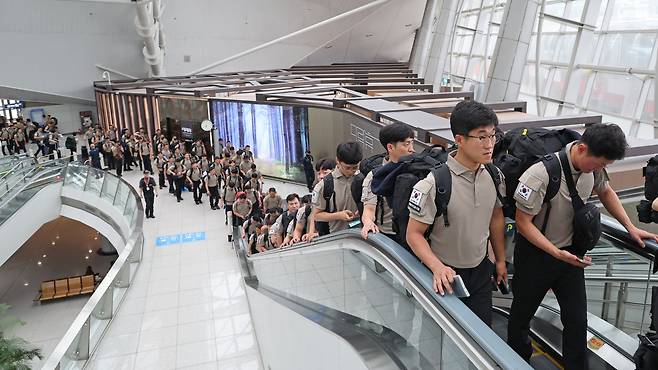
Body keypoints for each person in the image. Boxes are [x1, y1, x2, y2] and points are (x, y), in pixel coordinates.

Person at [507, 123, 658, 369]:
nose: (600, 169)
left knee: (576, 320)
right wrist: (556, 252)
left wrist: (630, 227)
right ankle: (515, 360)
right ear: (582, 148)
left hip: (571, 257)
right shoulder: (540, 174)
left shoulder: (594, 166)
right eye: (599, 163)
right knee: (521, 316)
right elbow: (523, 223)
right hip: (536, 257)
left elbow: (606, 191)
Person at [406, 101, 507, 327]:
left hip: (481, 270)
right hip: (445, 272)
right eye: (482, 137)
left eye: (493, 136)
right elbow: (413, 234)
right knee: (438, 335)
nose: (490, 144)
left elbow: (496, 217)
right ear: (459, 140)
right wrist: (437, 267)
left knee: (482, 334)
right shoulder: (434, 184)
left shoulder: (494, 175)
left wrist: (500, 260)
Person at [360, 123, 415, 244]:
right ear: (390, 147)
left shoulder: (417, 168)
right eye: (406, 144)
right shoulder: (376, 176)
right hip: (388, 235)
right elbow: (369, 208)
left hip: (414, 234)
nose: (411, 149)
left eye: (411, 142)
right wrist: (368, 222)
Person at [309, 142, 363, 235]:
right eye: (347, 167)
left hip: (360, 234)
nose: (351, 171)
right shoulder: (325, 185)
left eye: (355, 167)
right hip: (335, 236)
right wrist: (338, 215)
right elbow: (316, 215)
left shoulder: (363, 179)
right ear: (337, 161)